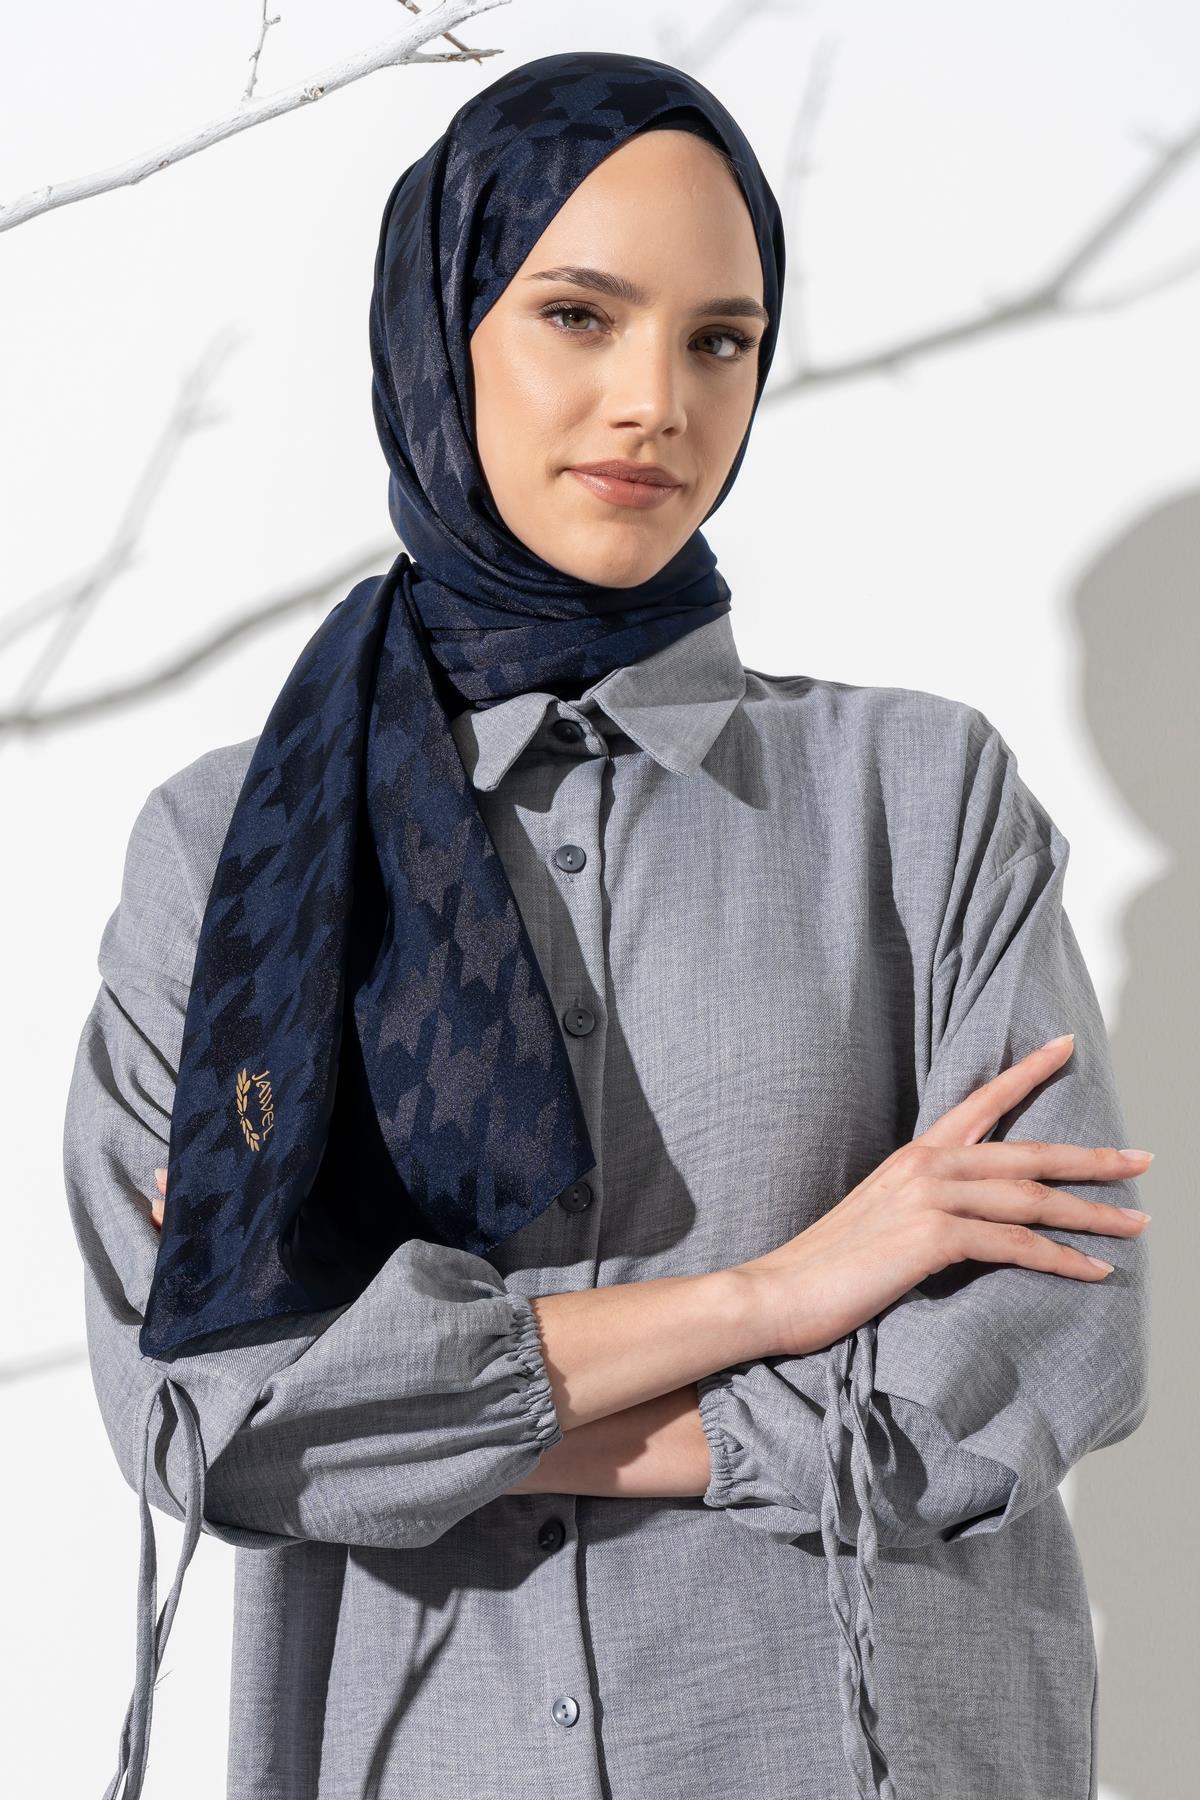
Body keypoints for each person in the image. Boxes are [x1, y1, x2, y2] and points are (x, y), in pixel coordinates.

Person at [62, 48, 1152, 1800]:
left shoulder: (920, 800)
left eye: (720, 339)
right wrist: (779, 1295)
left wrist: (413, 1416)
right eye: (579, 315)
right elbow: (206, 1422)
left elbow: (1031, 1354)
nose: (657, 399)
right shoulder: (229, 860)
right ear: (442, 332)